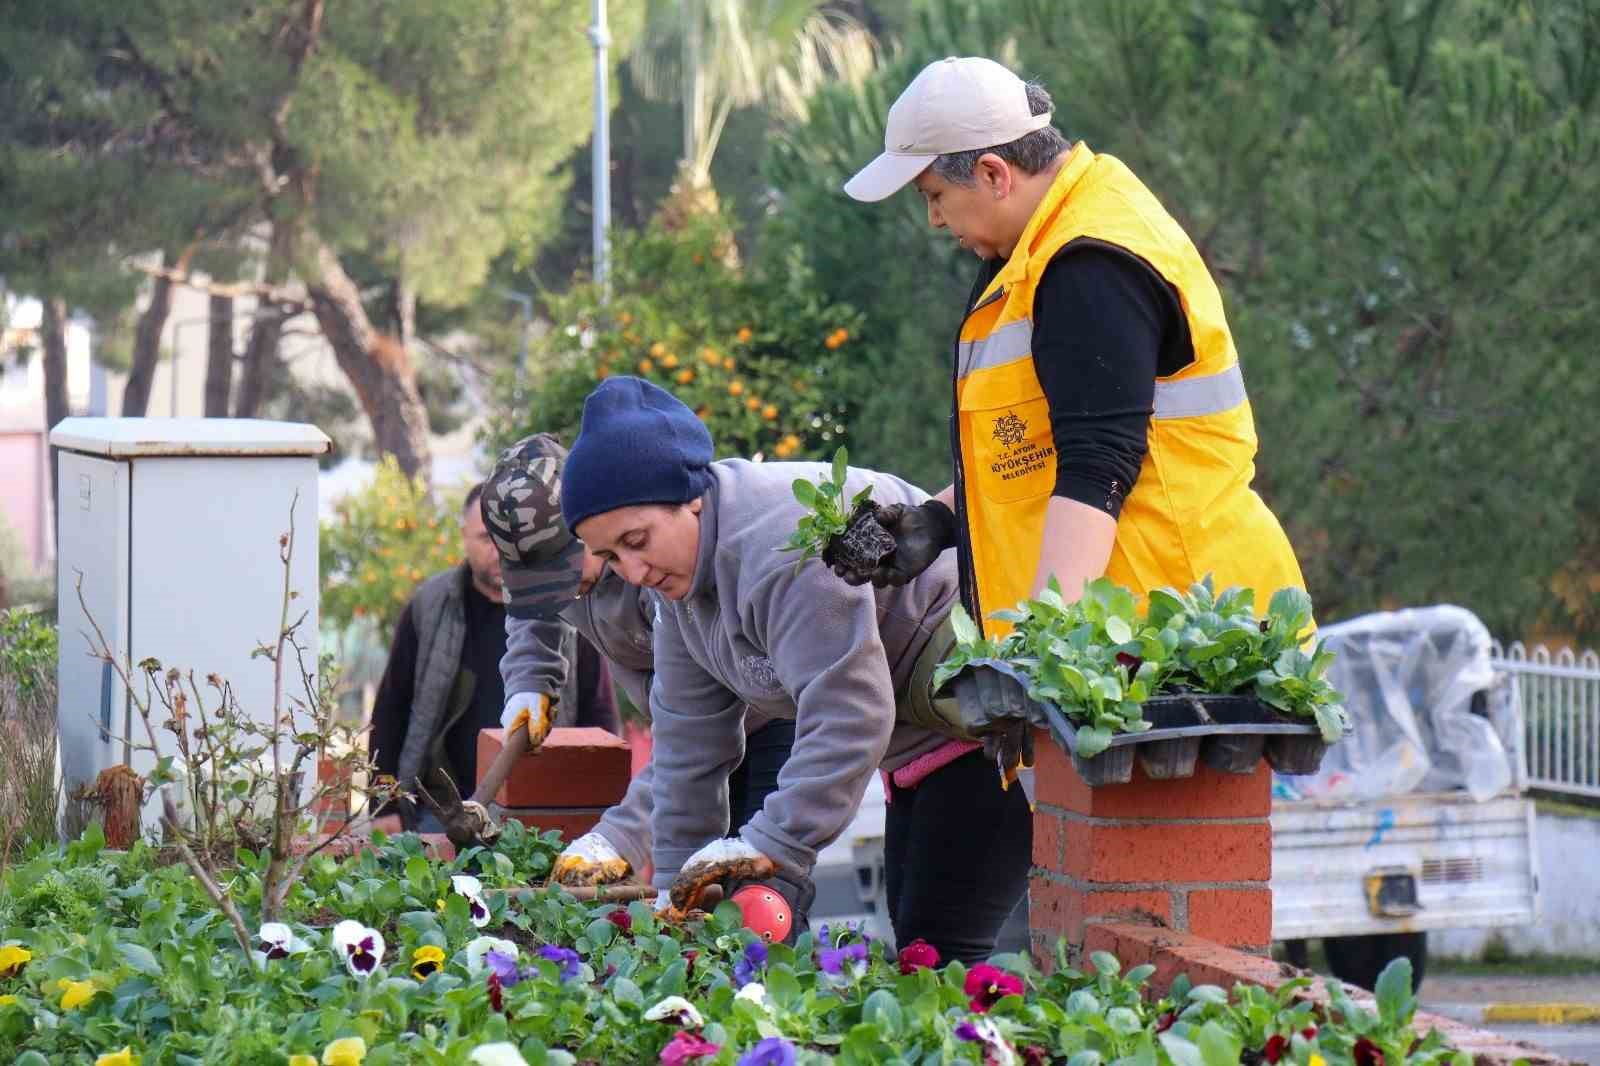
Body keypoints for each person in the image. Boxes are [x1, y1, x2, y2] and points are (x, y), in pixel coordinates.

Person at [836, 58, 1308, 696]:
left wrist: (1044, 652)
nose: (936, 221)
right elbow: (1044, 448)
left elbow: (1097, 467)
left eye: (934, 196)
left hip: (1163, 641)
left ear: (993, 173)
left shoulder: (1087, 263)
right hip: (1137, 636)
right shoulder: (1054, 240)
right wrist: (940, 521)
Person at [559, 375, 1031, 963]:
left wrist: (770, 845)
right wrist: (673, 898)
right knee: (922, 955)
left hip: (981, 726)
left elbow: (850, 716)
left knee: (940, 957)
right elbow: (688, 751)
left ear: (690, 498)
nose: (631, 571)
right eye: (609, 557)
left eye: (637, 540)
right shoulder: (677, 595)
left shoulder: (776, 546)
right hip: (912, 750)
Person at [477, 434, 797, 886]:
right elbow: (534, 612)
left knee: (761, 898)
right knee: (697, 901)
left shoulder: (656, 573)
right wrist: (531, 680)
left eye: (563, 569)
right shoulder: (552, 564)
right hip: (685, 735)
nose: (560, 589)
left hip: (759, 720)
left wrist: (621, 835)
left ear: (588, 525)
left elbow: (693, 732)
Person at [369, 483, 619, 834]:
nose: (500, 551)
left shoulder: (570, 603)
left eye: (508, 539)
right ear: (463, 537)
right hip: (439, 811)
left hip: (540, 813)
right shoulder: (431, 605)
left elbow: (599, 712)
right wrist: (384, 806)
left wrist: (602, 815)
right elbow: (391, 709)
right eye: (487, 538)